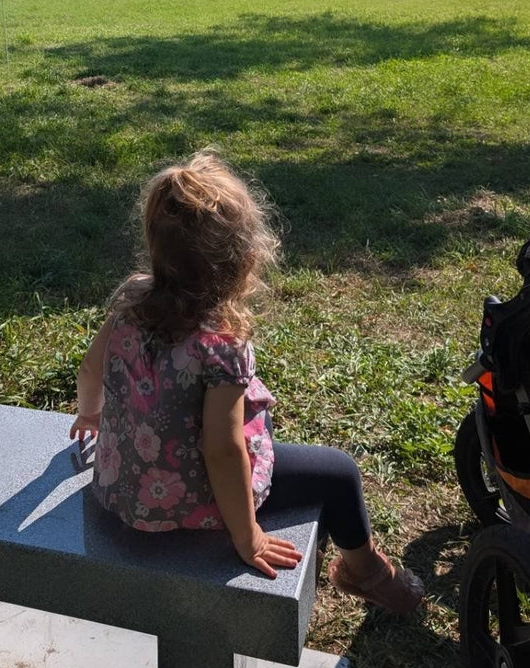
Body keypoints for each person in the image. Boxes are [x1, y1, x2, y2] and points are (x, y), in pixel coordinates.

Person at [70, 151, 423, 612]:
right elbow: (221, 449)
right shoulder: (220, 344)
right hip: (185, 501)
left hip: (119, 488)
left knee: (260, 422)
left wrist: (90, 414)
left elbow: (89, 370)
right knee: (339, 473)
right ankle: (364, 571)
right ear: (245, 261)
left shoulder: (128, 302)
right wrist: (248, 537)